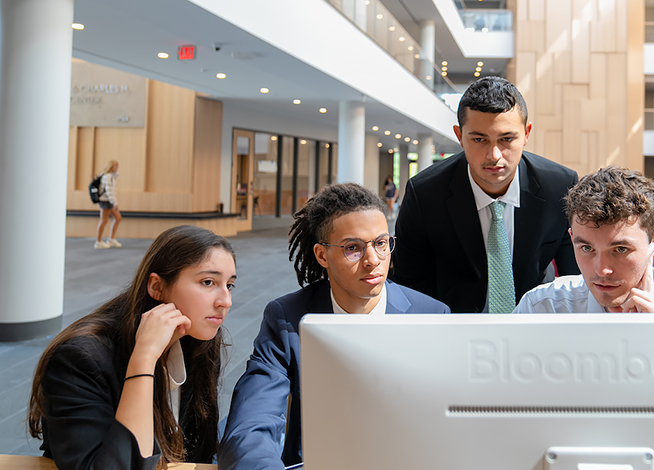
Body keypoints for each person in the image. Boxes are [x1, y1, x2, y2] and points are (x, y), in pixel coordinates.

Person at [219, 183, 449, 470]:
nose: (373, 260)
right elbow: (251, 427)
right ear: (322, 255)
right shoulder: (287, 319)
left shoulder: (431, 316)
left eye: (381, 243)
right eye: (353, 248)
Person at [28, 225, 237, 469]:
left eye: (229, 285)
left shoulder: (198, 341)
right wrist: (144, 359)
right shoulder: (79, 359)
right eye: (208, 282)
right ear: (157, 287)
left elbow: (197, 452)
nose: (225, 301)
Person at [392, 76, 580, 313]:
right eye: (479, 139)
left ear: (527, 133)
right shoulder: (425, 194)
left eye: (507, 139)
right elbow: (410, 286)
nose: (494, 155)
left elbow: (577, 279)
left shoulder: (560, 186)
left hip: (534, 319)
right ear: (460, 136)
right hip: (454, 325)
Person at [514, 166, 654, 314]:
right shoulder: (542, 308)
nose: (601, 270)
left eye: (620, 250)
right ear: (572, 241)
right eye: (587, 248)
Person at [95, 160, 123, 249]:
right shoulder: (108, 176)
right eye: (115, 166)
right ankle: (98, 241)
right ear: (111, 167)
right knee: (104, 220)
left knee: (118, 218)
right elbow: (109, 191)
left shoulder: (111, 176)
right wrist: (114, 203)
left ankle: (112, 239)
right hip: (106, 201)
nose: (117, 168)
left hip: (109, 201)